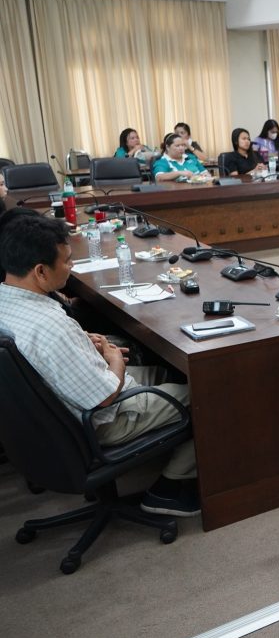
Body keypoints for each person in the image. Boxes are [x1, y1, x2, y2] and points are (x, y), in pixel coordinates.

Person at [0, 215, 199, 516]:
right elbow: (105, 397)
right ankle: (170, 489)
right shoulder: (52, 325)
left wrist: (79, 341)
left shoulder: (8, 302)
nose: (71, 266)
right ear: (40, 271)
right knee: (207, 393)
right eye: (67, 261)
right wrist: (114, 358)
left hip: (51, 415)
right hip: (102, 420)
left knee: (166, 372)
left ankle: (166, 442)